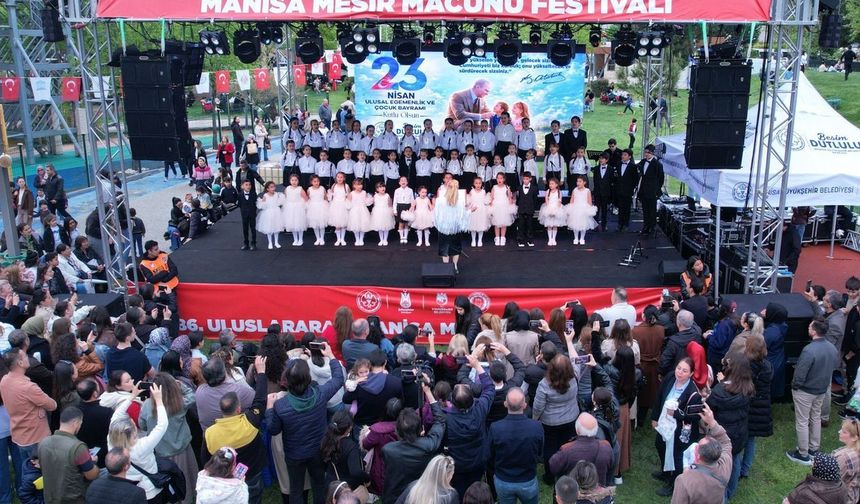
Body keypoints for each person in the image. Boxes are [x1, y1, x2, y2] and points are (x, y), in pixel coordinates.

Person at [267, 342, 344, 504]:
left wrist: (269, 408)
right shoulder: (320, 394)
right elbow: (338, 378)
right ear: (308, 378)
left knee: (296, 489)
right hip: (317, 451)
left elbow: (273, 430)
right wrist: (330, 355)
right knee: (318, 484)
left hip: (296, 455)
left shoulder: (281, 405)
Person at [204, 356, 268, 504]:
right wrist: (262, 372)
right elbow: (260, 401)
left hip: (225, 479)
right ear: (239, 409)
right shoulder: (250, 422)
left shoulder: (209, 433)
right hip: (251, 475)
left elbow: (205, 459)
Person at [533, 330, 584, 484]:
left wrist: (535, 420)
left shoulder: (544, 385)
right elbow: (575, 359)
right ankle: (566, 471)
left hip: (550, 423)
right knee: (567, 445)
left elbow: (537, 407)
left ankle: (550, 476)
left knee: (550, 449)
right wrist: (569, 341)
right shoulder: (574, 376)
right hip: (571, 419)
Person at [381, 383, 446, 504]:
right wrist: (428, 392)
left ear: (397, 431)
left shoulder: (388, 450)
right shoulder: (429, 445)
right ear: (420, 430)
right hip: (419, 495)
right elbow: (440, 421)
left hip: (395, 495)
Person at [787, 320, 839, 465]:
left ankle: (802, 454)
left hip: (805, 391)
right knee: (815, 417)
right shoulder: (832, 348)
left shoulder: (809, 350)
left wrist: (794, 386)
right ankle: (813, 449)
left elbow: (800, 373)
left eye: (810, 326)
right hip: (821, 389)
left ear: (814, 331)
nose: (808, 328)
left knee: (802, 421)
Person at [107, 382, 169, 502]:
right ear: (134, 431)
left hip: (129, 487)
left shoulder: (111, 442)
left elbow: (116, 415)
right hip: (150, 491)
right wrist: (159, 400)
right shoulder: (141, 446)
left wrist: (132, 397)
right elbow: (162, 425)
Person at [705, 351, 755, 500]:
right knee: (735, 460)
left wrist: (717, 385)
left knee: (720, 465)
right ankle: (729, 492)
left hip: (722, 433)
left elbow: (709, 408)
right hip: (740, 432)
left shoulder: (720, 391)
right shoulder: (749, 388)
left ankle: (719, 495)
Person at [652, 357, 703, 496]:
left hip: (680, 431)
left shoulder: (693, 393)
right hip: (664, 424)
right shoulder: (669, 378)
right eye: (679, 368)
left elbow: (696, 416)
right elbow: (659, 397)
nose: (680, 373)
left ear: (691, 374)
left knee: (676, 456)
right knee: (660, 445)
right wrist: (655, 417)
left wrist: (677, 414)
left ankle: (673, 483)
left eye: (685, 371)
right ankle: (665, 472)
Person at [446, 352, 494, 498]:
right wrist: (477, 365)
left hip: (458, 463)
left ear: (452, 402)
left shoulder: (446, 417)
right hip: (477, 461)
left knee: (459, 491)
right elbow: (489, 388)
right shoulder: (480, 409)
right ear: (472, 399)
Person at [488, 387, 543, 504]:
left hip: (504, 480)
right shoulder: (536, 427)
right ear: (524, 405)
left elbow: (490, 455)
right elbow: (540, 452)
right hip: (527, 480)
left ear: (505, 404)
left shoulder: (496, 428)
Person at [671, 403, 732, 504]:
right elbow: (726, 442)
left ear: (697, 456)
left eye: (697, 446)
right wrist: (712, 422)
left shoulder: (684, 481)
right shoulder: (725, 466)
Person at [1, 348, 57, 457]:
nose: (28, 358)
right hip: (35, 437)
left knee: (25, 468)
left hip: (19, 435)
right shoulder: (28, 387)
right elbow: (52, 405)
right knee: (40, 471)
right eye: (25, 356)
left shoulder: (4, 380)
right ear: (20, 363)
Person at [38, 407, 98, 504]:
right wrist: (93, 462)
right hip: (73, 499)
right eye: (80, 423)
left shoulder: (43, 443)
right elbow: (91, 475)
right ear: (75, 423)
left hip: (50, 498)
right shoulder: (78, 447)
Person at [740, 333, 774, 479]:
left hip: (747, 405)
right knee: (751, 439)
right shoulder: (768, 365)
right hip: (761, 405)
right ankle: (745, 469)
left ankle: (737, 466)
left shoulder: (745, 366)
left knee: (741, 437)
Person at [549, 413, 614, 486]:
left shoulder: (567, 449)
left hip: (573, 493)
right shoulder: (606, 447)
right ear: (596, 430)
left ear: (577, 430)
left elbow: (553, 468)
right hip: (598, 493)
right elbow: (611, 469)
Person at [633, 306, 665, 424]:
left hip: (641, 366)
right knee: (650, 391)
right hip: (655, 367)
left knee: (640, 391)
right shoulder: (661, 329)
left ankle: (638, 418)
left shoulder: (635, 331)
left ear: (643, 316)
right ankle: (642, 417)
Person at [784, 453, 850, 503]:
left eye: (814, 463)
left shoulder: (805, 491)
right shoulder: (842, 487)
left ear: (819, 470)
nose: (812, 463)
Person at [434, 179, 469, 271]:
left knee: (444, 247)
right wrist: (470, 211)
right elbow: (462, 216)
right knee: (456, 247)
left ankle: (446, 267)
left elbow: (436, 215)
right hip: (455, 228)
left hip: (443, 228)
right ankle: (455, 266)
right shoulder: (460, 201)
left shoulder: (439, 200)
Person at [658, 310, 702, 378]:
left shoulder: (673, 342)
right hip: (691, 371)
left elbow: (664, 363)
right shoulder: (698, 332)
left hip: (676, 375)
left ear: (678, 323)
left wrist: (662, 374)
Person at [762, 303, 788, 400]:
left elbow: (760, 345)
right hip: (777, 360)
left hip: (770, 362)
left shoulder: (771, 333)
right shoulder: (782, 326)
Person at [636, 145, 664, 234]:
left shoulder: (657, 164)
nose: (646, 154)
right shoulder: (643, 162)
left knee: (652, 210)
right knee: (645, 210)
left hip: (652, 191)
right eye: (645, 152)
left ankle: (652, 227)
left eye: (648, 152)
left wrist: (656, 190)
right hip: (643, 190)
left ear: (652, 153)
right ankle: (646, 226)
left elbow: (661, 178)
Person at [613, 150, 638, 232]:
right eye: (622, 155)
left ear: (629, 156)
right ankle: (620, 224)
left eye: (625, 155)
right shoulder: (618, 164)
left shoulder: (633, 166)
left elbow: (635, 179)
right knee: (620, 207)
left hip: (628, 190)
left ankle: (626, 224)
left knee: (626, 208)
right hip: (619, 190)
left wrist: (631, 188)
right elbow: (616, 177)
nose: (623, 156)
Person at [256, 181, 284, 249]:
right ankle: (270, 242)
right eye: (271, 187)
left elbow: (280, 202)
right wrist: (262, 202)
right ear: (267, 189)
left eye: (274, 187)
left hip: (276, 212)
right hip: (268, 213)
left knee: (277, 228)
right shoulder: (265, 195)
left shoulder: (277, 194)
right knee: (269, 228)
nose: (273, 188)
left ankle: (276, 242)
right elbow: (262, 205)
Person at [590, 153, 614, 231]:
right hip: (597, 192)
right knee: (596, 210)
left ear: (606, 160)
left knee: (604, 210)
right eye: (600, 158)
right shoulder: (596, 169)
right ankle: (595, 225)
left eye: (603, 158)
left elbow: (611, 180)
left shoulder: (610, 169)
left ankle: (604, 225)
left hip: (606, 192)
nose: (600, 160)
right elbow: (595, 180)